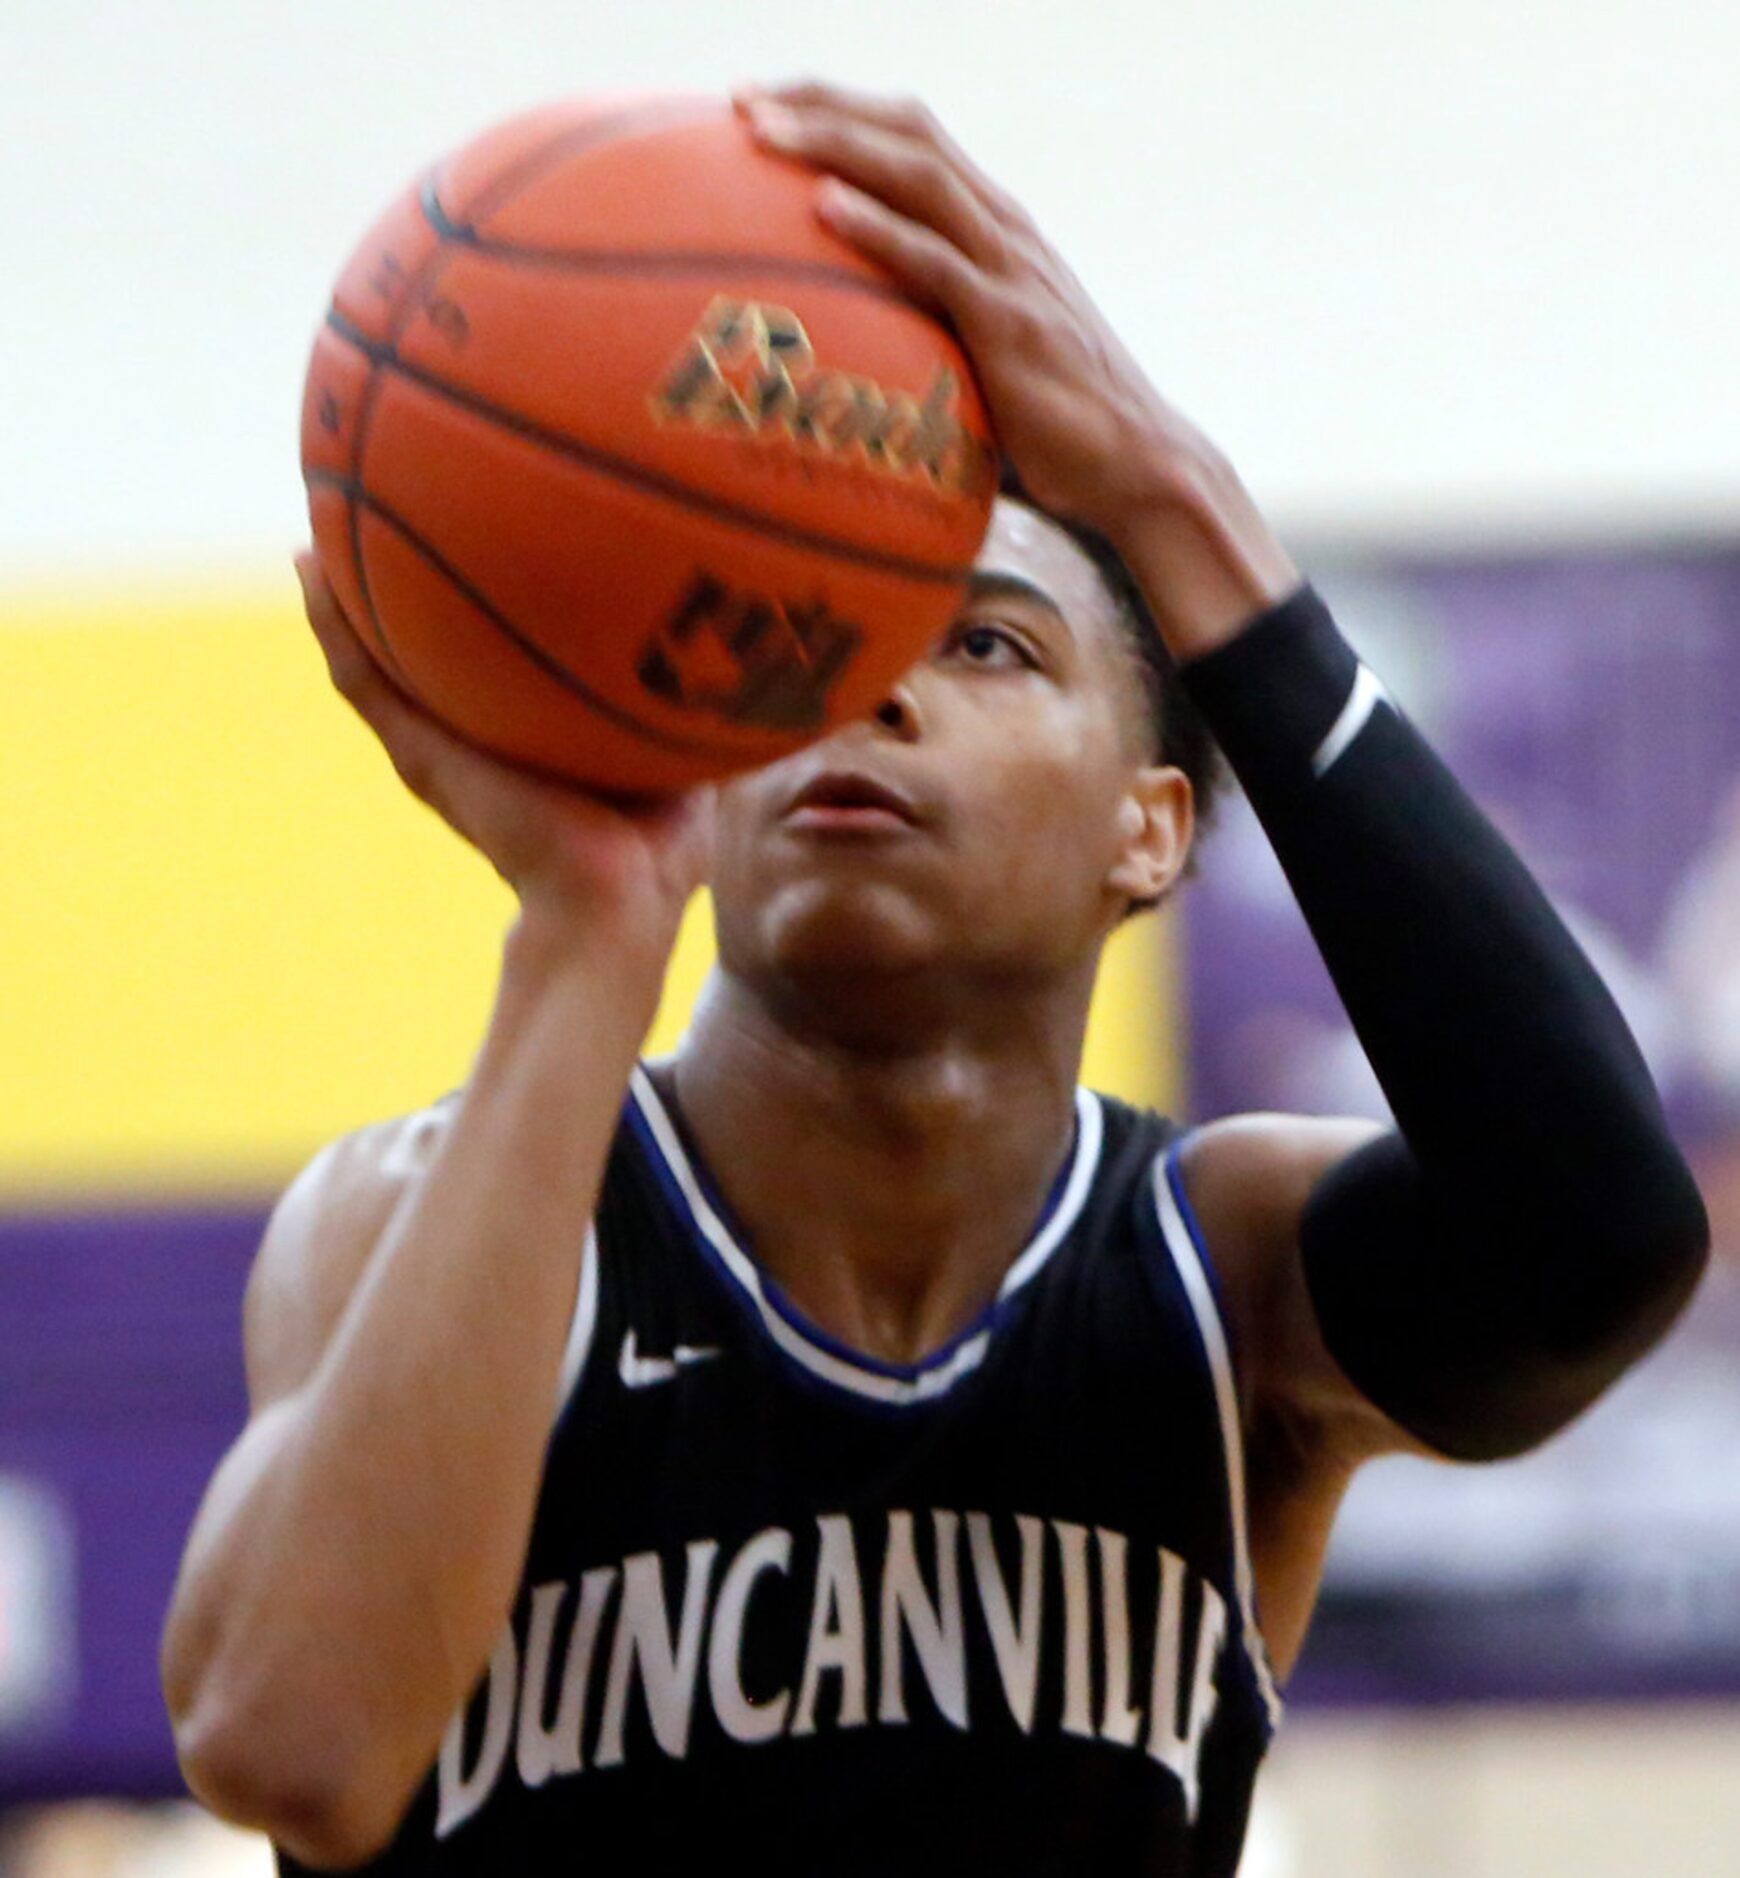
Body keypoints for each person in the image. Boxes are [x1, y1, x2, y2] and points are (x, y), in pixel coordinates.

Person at [159, 83, 1710, 1877]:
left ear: (1151, 829)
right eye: (827, 636)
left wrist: (1172, 493)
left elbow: (1602, 1245)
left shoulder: (1224, 1272)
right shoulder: (441, 1218)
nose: (873, 688)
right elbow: (296, 1747)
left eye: (981, 640)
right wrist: (585, 923)